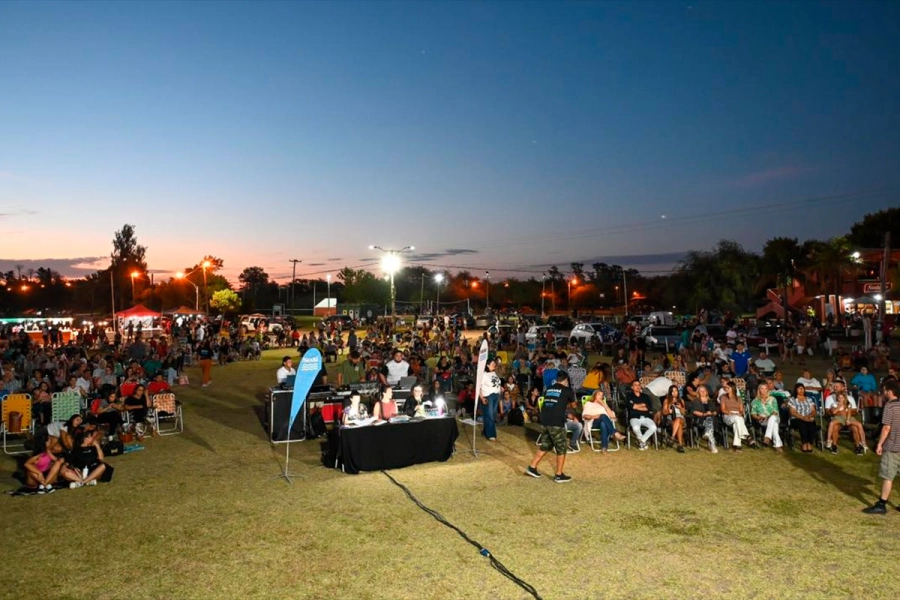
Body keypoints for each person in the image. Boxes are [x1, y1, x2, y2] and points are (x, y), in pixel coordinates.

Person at [526, 370, 574, 483]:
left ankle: (532, 467)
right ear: (566, 380)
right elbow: (573, 404)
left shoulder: (549, 389)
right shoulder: (567, 390)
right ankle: (559, 475)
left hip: (544, 420)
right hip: (556, 422)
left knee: (546, 445)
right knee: (561, 447)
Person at [862, 379, 900, 514]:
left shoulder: (890, 406)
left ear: (890, 391)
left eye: (884, 391)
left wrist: (880, 444)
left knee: (888, 476)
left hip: (894, 447)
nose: (883, 393)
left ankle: (881, 504)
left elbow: (886, 428)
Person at [824, 380, 866, 455]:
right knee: (835, 427)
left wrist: (846, 413)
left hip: (848, 418)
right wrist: (839, 412)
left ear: (843, 388)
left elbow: (854, 411)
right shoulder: (830, 398)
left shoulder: (850, 398)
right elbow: (827, 411)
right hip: (837, 418)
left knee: (855, 428)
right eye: (834, 386)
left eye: (837, 386)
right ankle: (834, 446)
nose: (835, 387)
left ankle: (858, 446)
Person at [582, 389, 625, 453]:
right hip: (593, 422)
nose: (600, 396)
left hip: (604, 422)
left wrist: (604, 404)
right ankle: (615, 433)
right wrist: (595, 416)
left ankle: (604, 448)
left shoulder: (603, 405)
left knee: (603, 424)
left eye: (602, 395)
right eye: (599, 394)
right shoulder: (589, 404)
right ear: (595, 395)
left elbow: (612, 416)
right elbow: (585, 416)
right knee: (603, 416)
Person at [720, 380, 756, 451]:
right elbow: (723, 410)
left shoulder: (739, 398)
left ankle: (737, 445)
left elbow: (741, 410)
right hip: (728, 415)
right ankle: (747, 435)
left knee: (736, 423)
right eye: (726, 388)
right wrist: (733, 413)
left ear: (733, 388)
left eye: (728, 388)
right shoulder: (723, 397)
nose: (726, 389)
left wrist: (740, 413)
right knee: (737, 419)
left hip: (738, 416)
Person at [625, 379, 657, 450]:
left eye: (639, 385)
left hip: (646, 417)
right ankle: (642, 442)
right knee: (635, 428)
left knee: (653, 427)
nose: (637, 387)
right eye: (635, 385)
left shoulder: (645, 396)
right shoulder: (629, 396)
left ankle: (641, 441)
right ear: (632, 387)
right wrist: (642, 405)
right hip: (634, 417)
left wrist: (636, 406)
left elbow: (648, 408)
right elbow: (632, 407)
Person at [750, 384, 783, 452]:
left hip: (775, 417)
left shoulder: (773, 399)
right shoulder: (755, 401)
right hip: (763, 420)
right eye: (762, 388)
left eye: (765, 388)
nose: (764, 390)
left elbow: (775, 411)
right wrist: (758, 417)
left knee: (772, 418)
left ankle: (767, 436)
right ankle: (777, 445)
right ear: (759, 390)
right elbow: (753, 413)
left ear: (768, 390)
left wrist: (769, 416)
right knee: (775, 425)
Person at [788, 383, 818, 453]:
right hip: (796, 418)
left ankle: (809, 443)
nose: (801, 390)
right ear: (796, 390)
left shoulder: (809, 399)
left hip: (808, 417)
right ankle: (804, 444)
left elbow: (814, 411)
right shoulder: (793, 400)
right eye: (799, 389)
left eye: (802, 388)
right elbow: (792, 412)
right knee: (803, 426)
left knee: (811, 426)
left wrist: (809, 416)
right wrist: (802, 417)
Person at [690, 385, 718, 453]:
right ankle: (712, 445)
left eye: (704, 391)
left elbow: (715, 412)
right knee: (709, 421)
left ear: (706, 392)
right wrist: (704, 414)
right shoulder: (696, 401)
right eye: (700, 391)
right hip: (700, 419)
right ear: (698, 392)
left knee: (710, 420)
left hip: (711, 419)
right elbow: (694, 411)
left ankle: (708, 433)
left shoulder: (710, 401)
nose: (702, 392)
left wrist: (711, 413)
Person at [479, 357, 502, 441]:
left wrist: (500, 388)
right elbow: (478, 388)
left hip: (496, 395)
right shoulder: (484, 375)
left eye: (494, 364)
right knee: (490, 415)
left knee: (493, 414)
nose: (494, 365)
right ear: (487, 365)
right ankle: (491, 434)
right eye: (492, 364)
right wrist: (482, 398)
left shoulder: (494, 373)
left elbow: (496, 383)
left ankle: (486, 431)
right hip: (488, 396)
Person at [661, 385, 686, 453]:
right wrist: (668, 411)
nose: (674, 393)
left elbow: (684, 413)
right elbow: (663, 412)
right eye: (672, 391)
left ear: (678, 392)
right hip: (671, 419)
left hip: (681, 418)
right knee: (679, 425)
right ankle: (680, 445)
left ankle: (672, 438)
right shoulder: (667, 400)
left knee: (679, 419)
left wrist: (680, 408)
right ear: (670, 393)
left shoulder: (681, 400)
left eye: (676, 391)